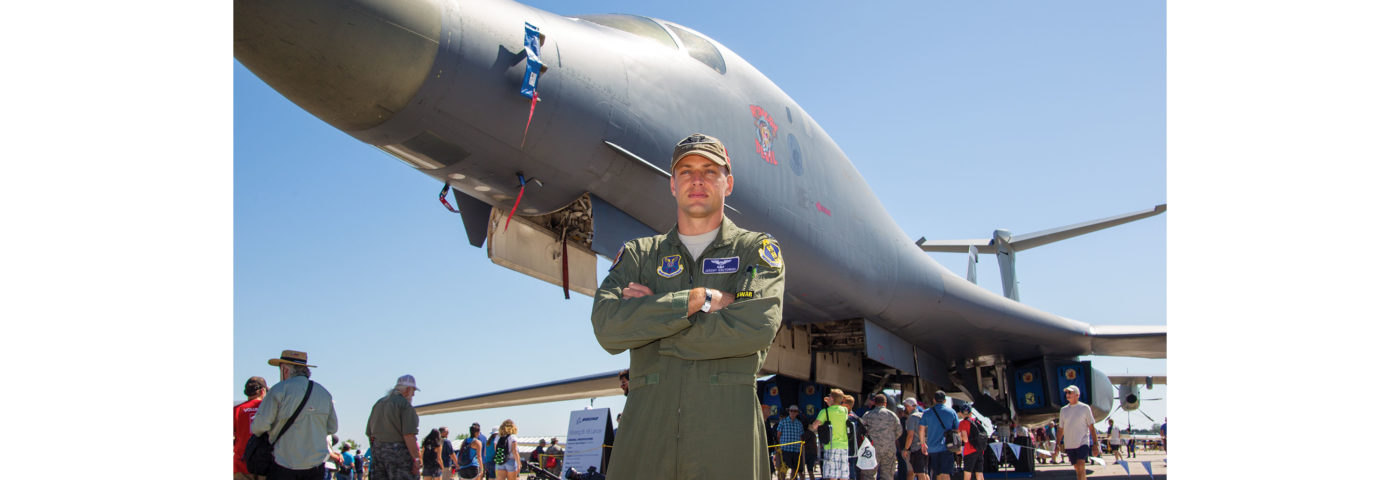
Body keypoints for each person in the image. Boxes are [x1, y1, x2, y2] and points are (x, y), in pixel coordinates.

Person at [590, 133, 787, 480]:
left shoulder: (755, 250)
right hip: (644, 446)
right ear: (672, 184)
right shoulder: (640, 254)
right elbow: (607, 328)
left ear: (728, 184)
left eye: (710, 171)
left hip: (727, 445)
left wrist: (652, 323)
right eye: (686, 171)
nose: (697, 179)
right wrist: (697, 300)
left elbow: (755, 328)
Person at [250, 350, 340, 480]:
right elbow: (332, 428)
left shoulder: (279, 390)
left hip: (284, 463)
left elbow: (259, 427)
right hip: (315, 466)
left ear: (285, 370)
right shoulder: (324, 393)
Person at [366, 375, 423, 480]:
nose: (413, 394)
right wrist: (416, 459)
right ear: (407, 390)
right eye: (413, 391)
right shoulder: (405, 405)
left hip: (378, 453)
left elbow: (370, 433)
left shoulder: (379, 403)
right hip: (398, 455)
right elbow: (409, 435)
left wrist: (377, 451)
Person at [1054, 386, 1098, 480]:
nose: (1068, 395)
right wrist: (1057, 444)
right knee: (1077, 468)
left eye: (1070, 393)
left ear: (1077, 395)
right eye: (1067, 393)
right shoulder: (1063, 410)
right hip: (1070, 444)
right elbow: (1060, 429)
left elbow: (1091, 427)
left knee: (1080, 464)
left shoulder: (1085, 408)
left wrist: (1095, 444)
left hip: (1082, 442)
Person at [812, 388, 851, 480]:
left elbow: (815, 426)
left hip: (831, 445)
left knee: (832, 475)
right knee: (843, 475)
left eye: (829, 396)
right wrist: (831, 402)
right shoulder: (845, 410)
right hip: (844, 446)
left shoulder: (825, 412)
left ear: (832, 398)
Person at [917, 392, 958, 480]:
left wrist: (923, 444)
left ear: (934, 400)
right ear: (945, 400)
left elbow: (921, 429)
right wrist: (958, 447)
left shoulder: (927, 413)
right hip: (947, 447)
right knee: (946, 473)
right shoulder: (952, 412)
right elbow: (957, 430)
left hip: (932, 448)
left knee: (937, 474)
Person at [860, 394, 900, 480]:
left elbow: (861, 430)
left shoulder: (867, 415)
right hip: (889, 449)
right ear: (885, 403)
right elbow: (899, 431)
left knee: (869, 475)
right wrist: (890, 439)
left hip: (872, 449)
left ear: (874, 403)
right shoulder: (892, 415)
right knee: (887, 476)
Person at [236, 376, 269, 480]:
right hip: (265, 464)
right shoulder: (269, 408)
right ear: (263, 391)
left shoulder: (237, 410)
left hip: (241, 465)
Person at [955, 405, 984, 480]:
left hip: (969, 451)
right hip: (979, 449)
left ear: (961, 413)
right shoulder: (976, 421)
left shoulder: (963, 423)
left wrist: (959, 435)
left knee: (967, 473)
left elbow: (965, 439)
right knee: (979, 473)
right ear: (970, 413)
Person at [778, 405, 806, 480]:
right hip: (785, 449)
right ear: (789, 411)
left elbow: (801, 436)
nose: (793, 412)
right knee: (783, 468)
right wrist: (778, 446)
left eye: (795, 411)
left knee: (794, 469)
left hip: (796, 450)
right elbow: (778, 435)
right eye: (791, 411)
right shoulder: (783, 422)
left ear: (797, 413)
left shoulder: (799, 423)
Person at [901, 398, 927, 480]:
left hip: (917, 448)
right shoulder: (922, 415)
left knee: (920, 473)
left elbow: (910, 436)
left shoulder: (911, 418)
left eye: (906, 406)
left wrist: (905, 449)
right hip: (925, 447)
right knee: (925, 472)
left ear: (908, 406)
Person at [842, 395, 866, 479]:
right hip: (854, 448)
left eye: (842, 403)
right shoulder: (855, 416)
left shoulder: (849, 418)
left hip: (850, 448)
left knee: (850, 471)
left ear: (847, 406)